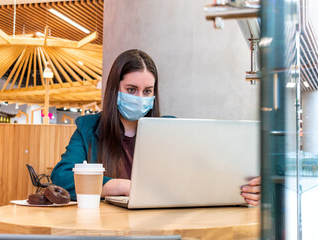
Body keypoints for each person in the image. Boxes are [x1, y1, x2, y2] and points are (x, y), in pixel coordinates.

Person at [51, 49, 261, 206]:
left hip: (161, 224)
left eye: (147, 91)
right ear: (115, 89)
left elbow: (207, 172)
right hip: (106, 228)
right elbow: (62, 177)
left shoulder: (169, 129)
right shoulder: (88, 128)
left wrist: (246, 187)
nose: (140, 98)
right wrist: (120, 186)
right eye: (131, 89)